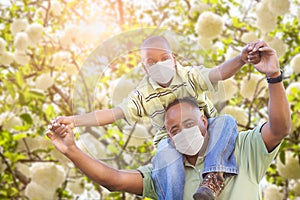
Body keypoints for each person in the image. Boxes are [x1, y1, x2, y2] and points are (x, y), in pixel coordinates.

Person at [47, 41, 290, 200]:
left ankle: (214, 176)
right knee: (164, 155)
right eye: (150, 62)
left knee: (226, 122)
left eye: (189, 124)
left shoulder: (241, 149)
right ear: (144, 68)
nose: (158, 65)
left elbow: (219, 73)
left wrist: (246, 61)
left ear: (173, 58)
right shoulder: (165, 167)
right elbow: (111, 118)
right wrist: (73, 128)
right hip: (166, 146)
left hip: (217, 133)